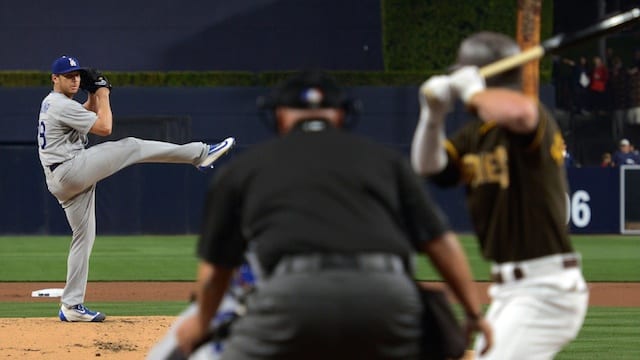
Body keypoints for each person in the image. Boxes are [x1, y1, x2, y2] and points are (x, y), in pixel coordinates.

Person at [174, 70, 492, 360]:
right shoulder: (385, 161)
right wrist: (474, 313)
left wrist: (202, 322)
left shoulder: (243, 169)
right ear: (340, 115)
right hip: (387, 298)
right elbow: (441, 244)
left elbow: (217, 271)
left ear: (281, 117)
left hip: (293, 299)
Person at [410, 31, 589, 359]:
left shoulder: (531, 118)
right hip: (511, 289)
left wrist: (473, 90)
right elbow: (428, 166)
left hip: (546, 288)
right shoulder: (475, 135)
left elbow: (521, 114)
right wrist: (432, 115)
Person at [38, 55, 236, 322]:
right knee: (131, 145)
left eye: (77, 75)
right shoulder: (60, 104)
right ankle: (200, 154)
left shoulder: (58, 105)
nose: (74, 79)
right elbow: (105, 127)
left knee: (83, 239)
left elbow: (90, 114)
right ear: (55, 79)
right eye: (68, 76)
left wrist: (94, 93)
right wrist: (104, 92)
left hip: (63, 177)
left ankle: (71, 306)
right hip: (70, 169)